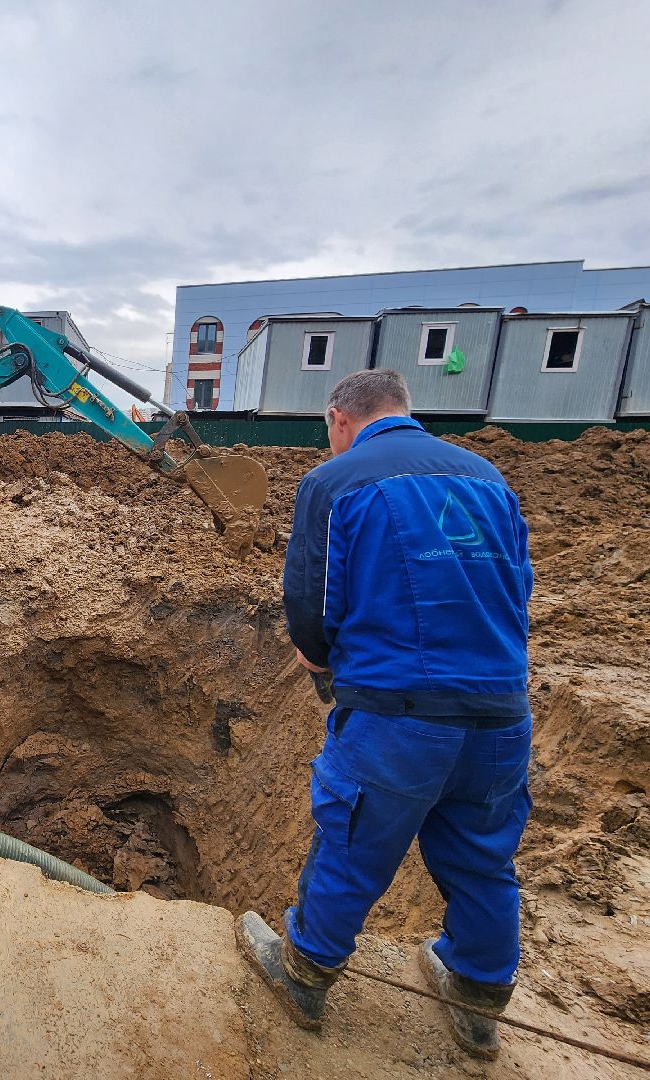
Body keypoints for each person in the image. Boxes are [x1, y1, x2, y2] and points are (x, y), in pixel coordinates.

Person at [237, 369, 533, 1061]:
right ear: (404, 410)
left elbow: (309, 601)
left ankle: (305, 973)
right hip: (502, 715)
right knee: (486, 861)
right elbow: (518, 586)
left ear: (340, 419)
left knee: (351, 841)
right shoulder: (488, 477)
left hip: (399, 718)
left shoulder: (335, 482)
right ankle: (479, 1001)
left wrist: (320, 661)